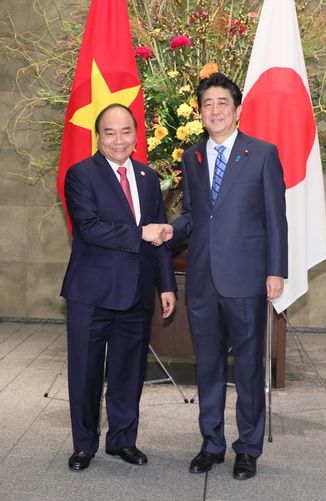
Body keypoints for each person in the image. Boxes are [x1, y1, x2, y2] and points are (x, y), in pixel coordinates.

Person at [165, 73, 288, 480]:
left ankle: (248, 448)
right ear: (200, 114)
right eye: (207, 104)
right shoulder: (192, 157)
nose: (214, 110)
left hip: (247, 278)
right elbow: (195, 216)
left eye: (222, 103)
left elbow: (276, 217)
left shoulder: (263, 153)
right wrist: (170, 230)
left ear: (237, 109)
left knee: (249, 366)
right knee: (208, 366)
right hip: (202, 278)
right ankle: (212, 444)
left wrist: (276, 271)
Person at [61, 103, 176, 471]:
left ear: (136, 135)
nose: (118, 140)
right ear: (98, 136)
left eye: (125, 131)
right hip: (91, 294)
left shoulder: (147, 176)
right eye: (109, 133)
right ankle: (84, 445)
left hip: (137, 294)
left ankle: (122, 440)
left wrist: (167, 286)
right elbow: (88, 228)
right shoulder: (81, 174)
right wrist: (138, 233)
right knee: (86, 371)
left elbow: (159, 234)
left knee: (129, 372)